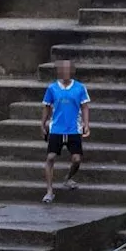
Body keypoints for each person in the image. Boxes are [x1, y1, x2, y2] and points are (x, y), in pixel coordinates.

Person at [41, 59, 91, 204]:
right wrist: (42, 123)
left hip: (73, 129)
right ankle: (49, 191)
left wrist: (86, 124)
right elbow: (46, 106)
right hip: (56, 128)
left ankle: (68, 177)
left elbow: (85, 106)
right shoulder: (52, 88)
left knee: (77, 159)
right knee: (50, 157)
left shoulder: (80, 88)